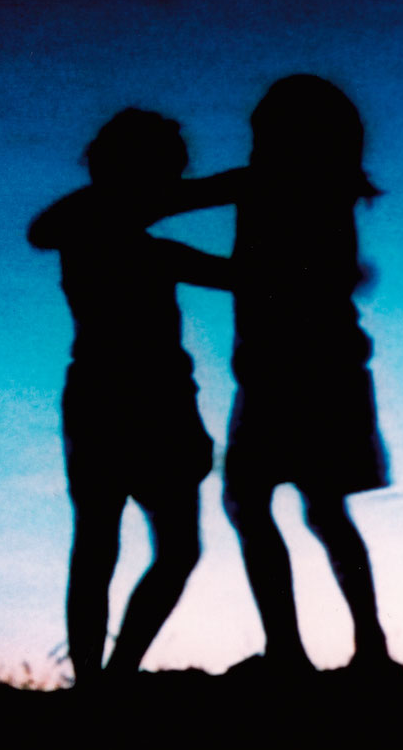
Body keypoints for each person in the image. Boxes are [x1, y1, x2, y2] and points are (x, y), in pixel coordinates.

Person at [29, 108, 241, 686]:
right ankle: (102, 680)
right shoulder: (99, 236)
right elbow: (44, 229)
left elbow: (238, 272)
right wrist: (201, 192)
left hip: (129, 400)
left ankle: (105, 679)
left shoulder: (122, 242)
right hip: (133, 401)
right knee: (116, 546)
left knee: (124, 547)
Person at [223, 75, 396, 677]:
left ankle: (289, 650)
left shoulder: (264, 182)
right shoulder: (332, 190)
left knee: (251, 501)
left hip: (285, 371)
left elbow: (277, 276)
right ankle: (366, 646)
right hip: (328, 368)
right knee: (322, 509)